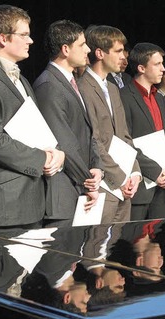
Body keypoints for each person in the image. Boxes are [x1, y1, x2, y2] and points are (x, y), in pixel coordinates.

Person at [0, 5, 64, 229]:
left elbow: (34, 129)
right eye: (24, 35)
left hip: (33, 198)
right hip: (7, 201)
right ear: (3, 39)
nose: (31, 41)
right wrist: (41, 158)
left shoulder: (22, 79)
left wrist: (55, 154)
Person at [32, 20, 103, 227]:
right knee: (62, 256)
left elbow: (88, 132)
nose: (87, 49)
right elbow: (63, 140)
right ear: (65, 49)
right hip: (62, 191)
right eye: (82, 45)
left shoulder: (70, 82)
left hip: (78, 187)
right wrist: (88, 181)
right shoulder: (49, 84)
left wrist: (97, 167)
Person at [78, 25, 142, 223]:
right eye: (118, 51)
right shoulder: (82, 87)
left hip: (123, 186)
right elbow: (93, 140)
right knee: (94, 249)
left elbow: (124, 135)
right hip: (101, 185)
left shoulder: (113, 88)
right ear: (99, 53)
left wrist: (135, 172)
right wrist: (121, 177)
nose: (124, 57)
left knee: (114, 249)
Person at [120, 42, 165, 220]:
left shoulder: (160, 100)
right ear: (141, 68)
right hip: (140, 187)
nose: (163, 69)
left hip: (164, 187)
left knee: (157, 243)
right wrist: (154, 171)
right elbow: (124, 142)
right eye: (157, 64)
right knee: (136, 243)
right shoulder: (123, 97)